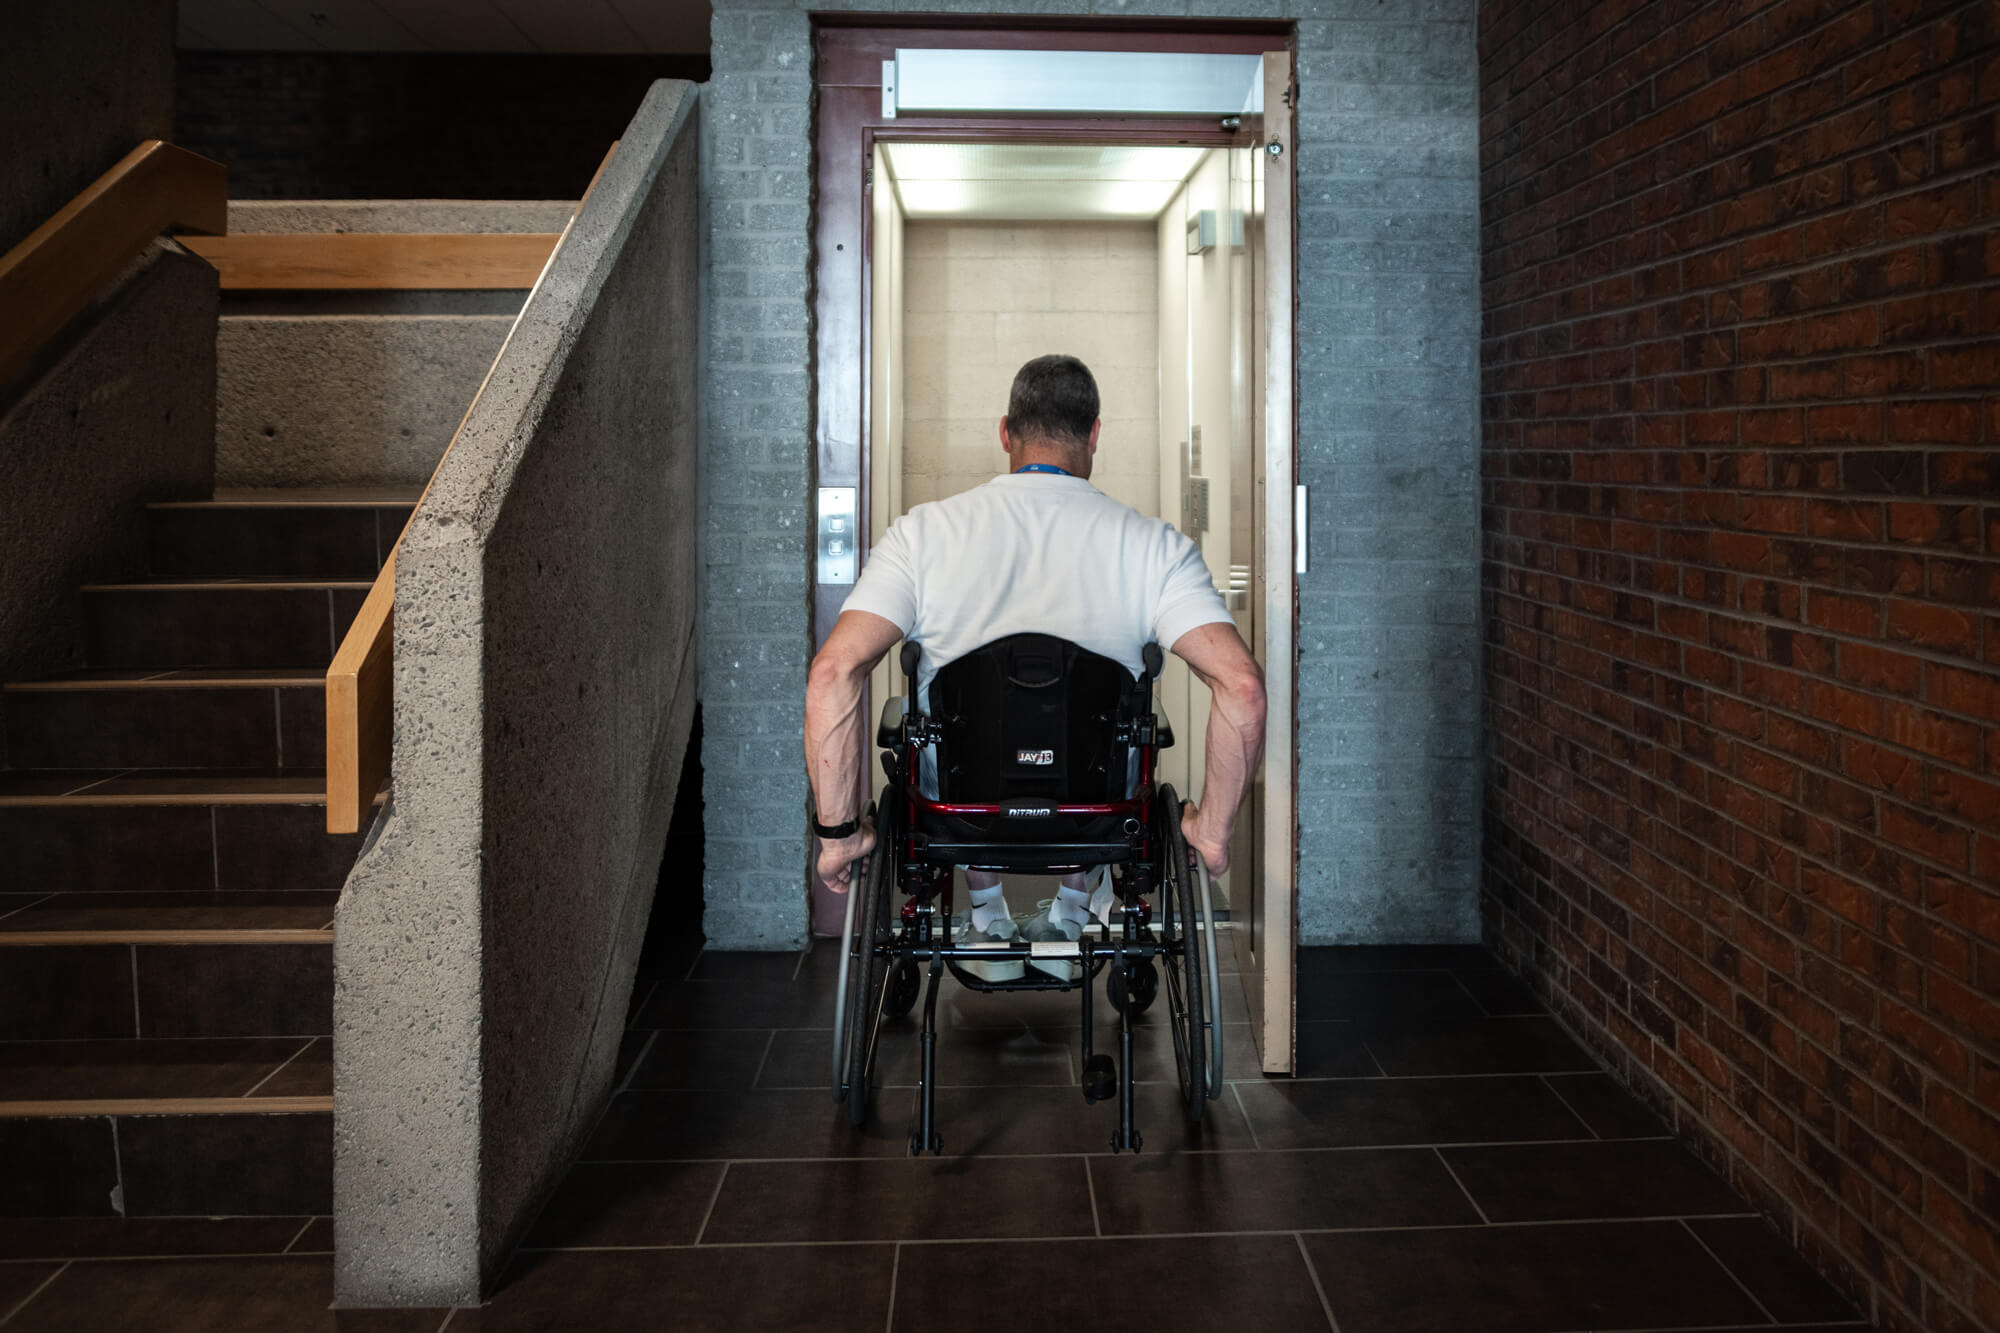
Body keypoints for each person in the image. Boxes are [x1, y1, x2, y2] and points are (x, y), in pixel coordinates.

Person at [803, 354, 1267, 979]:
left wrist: (836, 837)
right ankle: (1073, 911)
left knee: (956, 733)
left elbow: (833, 673)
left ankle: (987, 916)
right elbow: (1240, 686)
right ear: (1095, 434)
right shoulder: (1156, 548)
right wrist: (1211, 832)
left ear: (1005, 433)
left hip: (960, 812)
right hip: (1095, 813)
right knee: (1098, 738)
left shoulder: (922, 536)